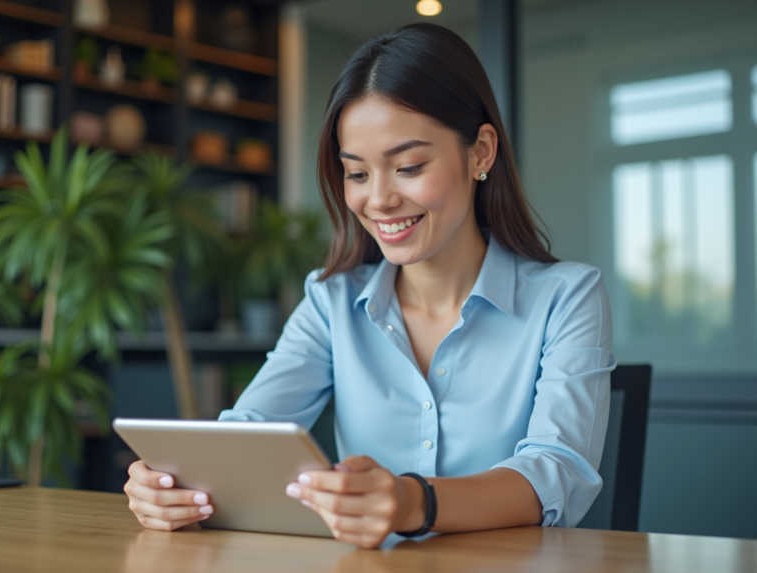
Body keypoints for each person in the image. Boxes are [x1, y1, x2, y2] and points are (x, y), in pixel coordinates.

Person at [124, 22, 615, 549]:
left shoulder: (567, 297)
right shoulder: (331, 300)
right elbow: (250, 431)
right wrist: (171, 485)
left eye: (408, 166)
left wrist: (414, 502)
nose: (378, 200)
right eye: (357, 174)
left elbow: (557, 469)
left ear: (481, 153)